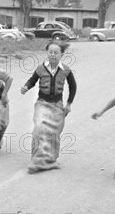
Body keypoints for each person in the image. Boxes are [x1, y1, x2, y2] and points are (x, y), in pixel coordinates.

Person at [21, 41, 77, 174]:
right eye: (50, 52)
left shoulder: (66, 70)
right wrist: (26, 87)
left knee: (54, 133)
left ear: (61, 54)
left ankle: (51, 161)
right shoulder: (41, 68)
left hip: (57, 105)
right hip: (42, 103)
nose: (52, 55)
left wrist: (69, 104)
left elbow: (73, 87)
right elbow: (32, 80)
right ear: (47, 53)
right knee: (39, 130)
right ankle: (36, 161)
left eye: (56, 52)